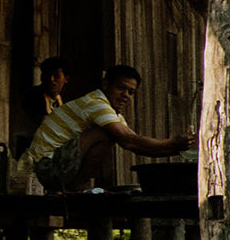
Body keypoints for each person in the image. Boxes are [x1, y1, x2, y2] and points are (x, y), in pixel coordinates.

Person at [25, 64, 192, 194]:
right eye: (121, 88)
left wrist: (178, 149)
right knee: (106, 134)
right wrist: (172, 142)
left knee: (111, 134)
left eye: (131, 92)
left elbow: (138, 146)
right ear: (106, 85)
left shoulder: (112, 113)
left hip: (54, 170)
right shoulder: (96, 103)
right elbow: (130, 142)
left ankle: (75, 188)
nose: (126, 95)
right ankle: (76, 188)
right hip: (42, 171)